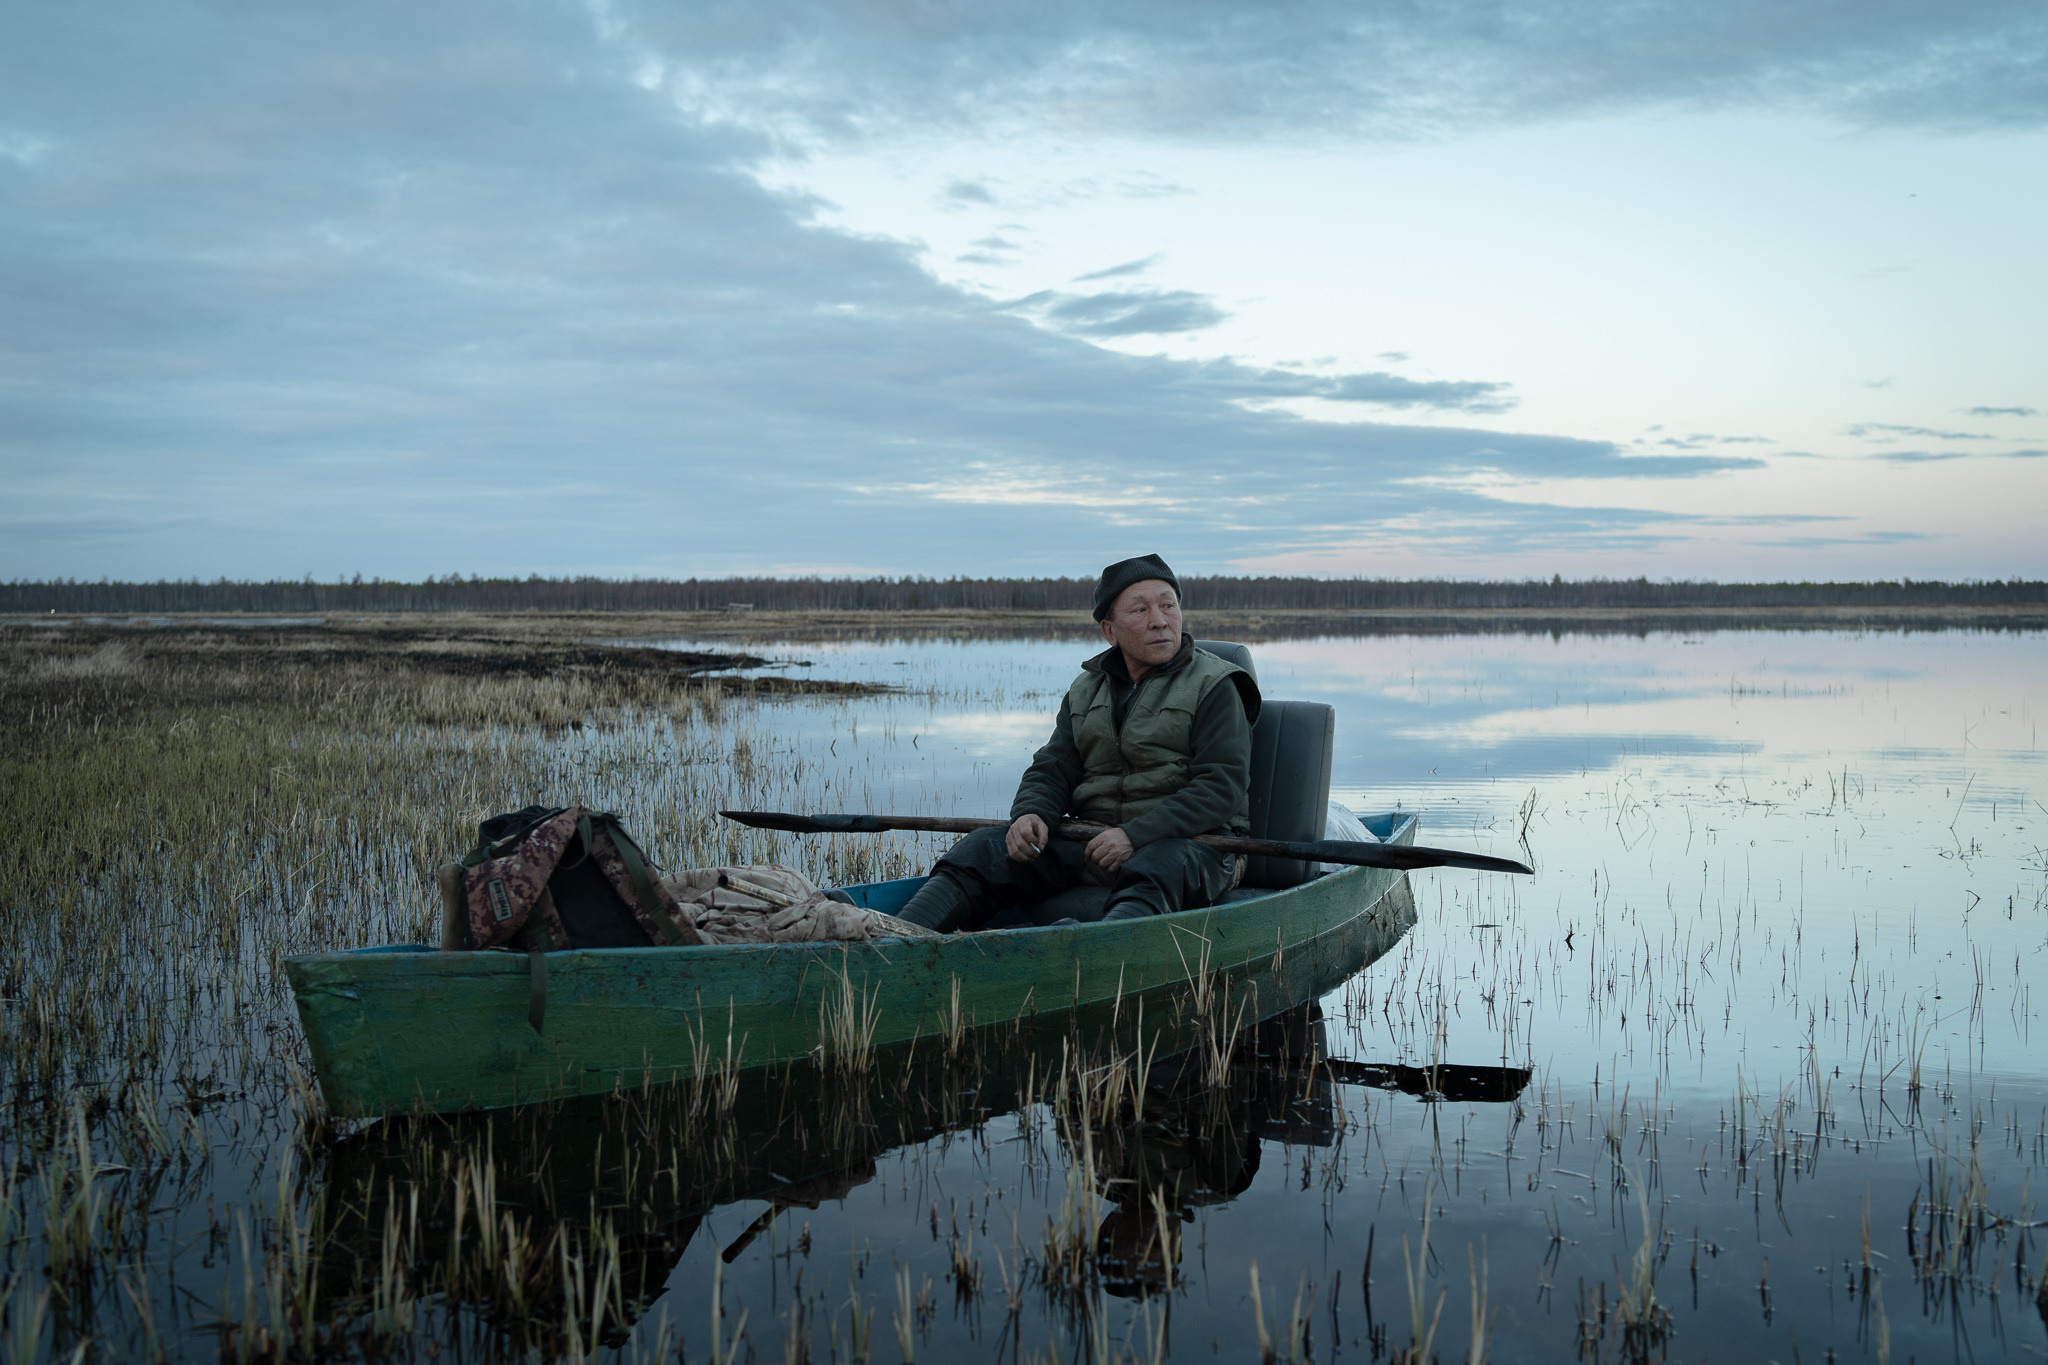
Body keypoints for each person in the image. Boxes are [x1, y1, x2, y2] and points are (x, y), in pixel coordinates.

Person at [896, 553, 1260, 931]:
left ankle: (1098, 957)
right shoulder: (1086, 689)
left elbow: (1220, 787)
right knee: (983, 848)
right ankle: (893, 943)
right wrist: (1031, 814)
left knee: (1160, 865)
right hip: (1095, 839)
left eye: (1168, 605)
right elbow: (1054, 767)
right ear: (1110, 631)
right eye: (1140, 610)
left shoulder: (1216, 684)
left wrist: (1135, 836)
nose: (1160, 620)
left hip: (1197, 847)